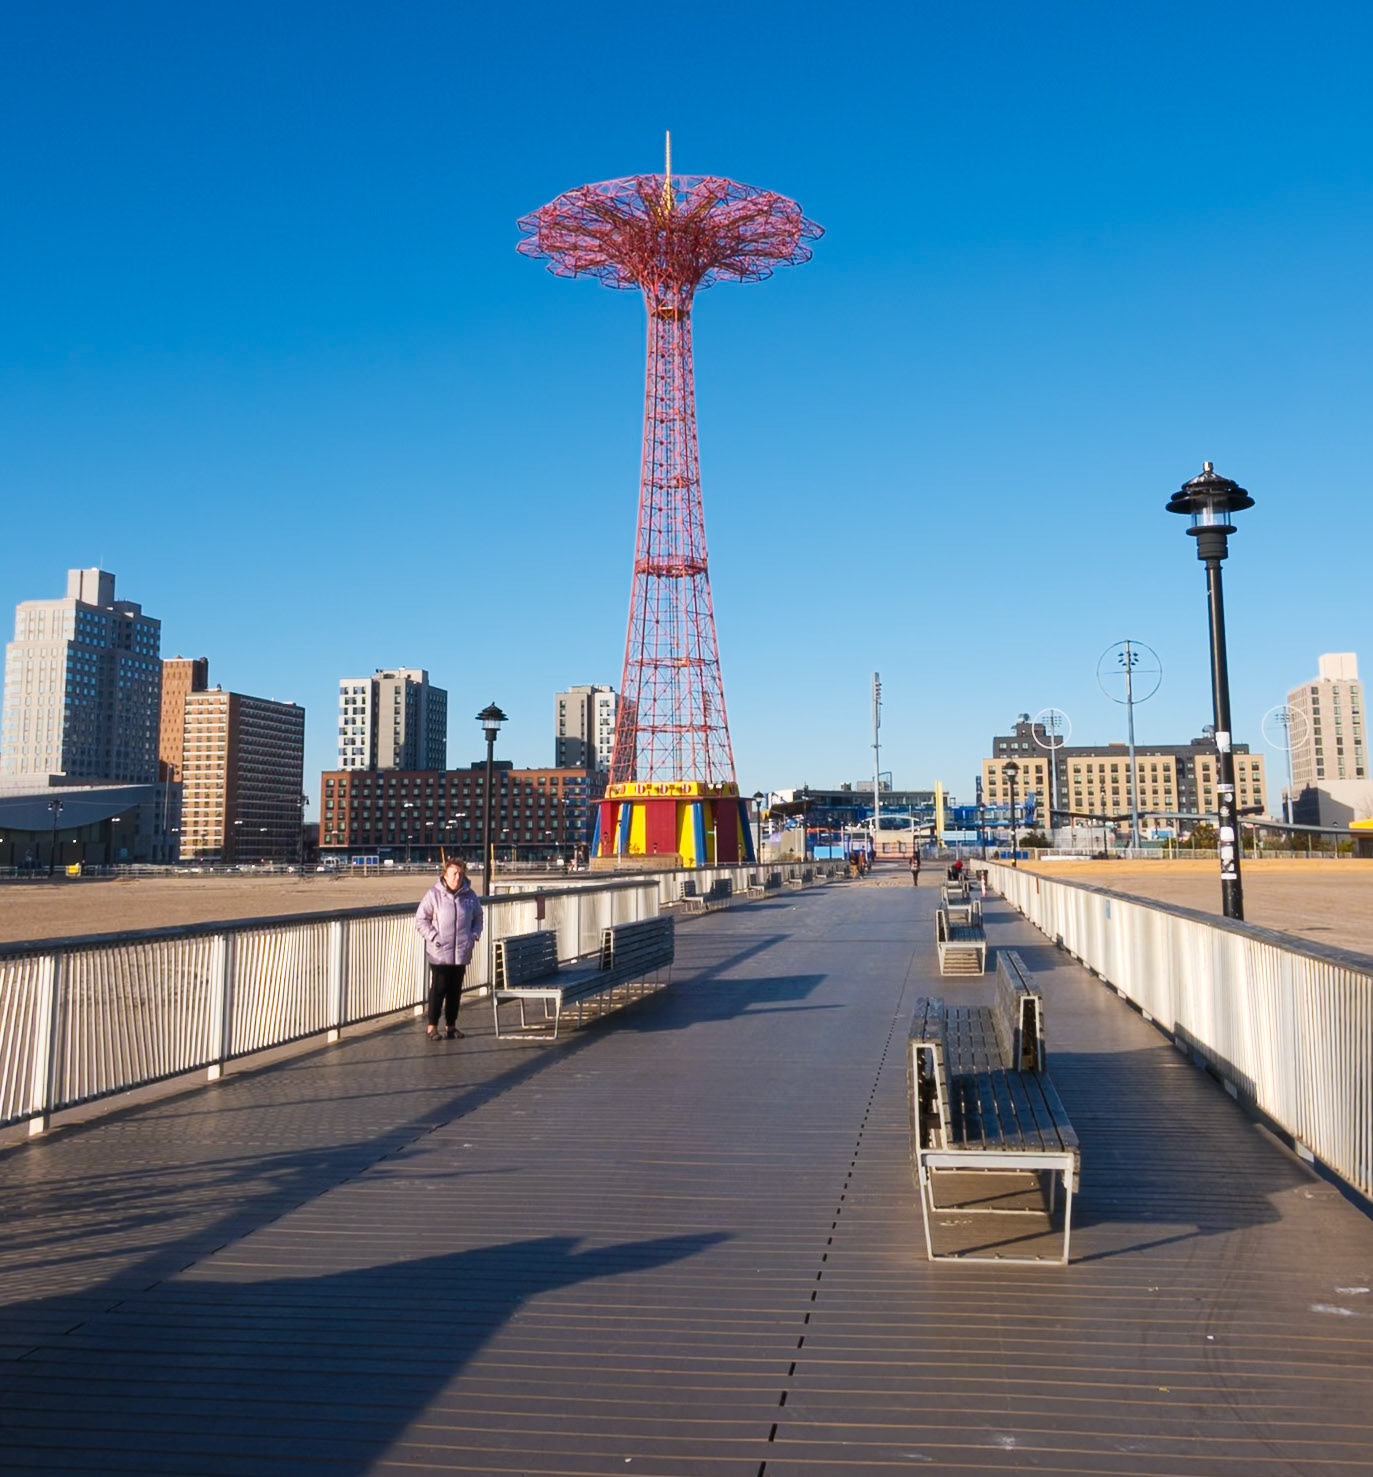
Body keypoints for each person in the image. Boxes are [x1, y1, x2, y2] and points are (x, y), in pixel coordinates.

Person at [414, 858, 484, 1041]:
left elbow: (478, 917)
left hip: (461, 950)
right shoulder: (434, 895)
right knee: (439, 987)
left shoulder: (470, 896)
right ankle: (432, 1027)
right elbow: (421, 919)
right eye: (454, 873)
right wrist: (434, 937)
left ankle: (451, 1026)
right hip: (440, 952)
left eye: (460, 874)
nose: (457, 877)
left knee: (455, 989)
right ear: (445, 874)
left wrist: (474, 935)